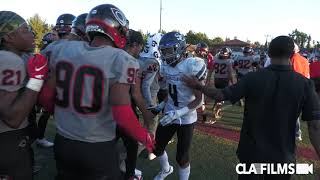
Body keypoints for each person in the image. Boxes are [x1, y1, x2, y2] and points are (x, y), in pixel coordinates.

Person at [39, 4, 155, 180]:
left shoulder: (62, 49)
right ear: (117, 29)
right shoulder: (121, 59)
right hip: (96, 147)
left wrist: (62, 114)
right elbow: (122, 113)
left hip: (63, 141)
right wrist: (144, 136)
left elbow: (46, 97)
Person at [182, 35, 320, 180]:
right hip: (281, 157)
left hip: (252, 153)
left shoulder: (253, 78)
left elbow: (220, 95)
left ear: (269, 53)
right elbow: (315, 126)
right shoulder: (305, 84)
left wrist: (198, 86)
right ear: (292, 55)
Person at [0, 11, 49, 180]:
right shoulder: (9, 60)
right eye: (25, 30)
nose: (32, 34)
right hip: (8, 140)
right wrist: (36, 80)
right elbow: (13, 118)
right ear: (9, 37)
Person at [151, 32, 206, 180]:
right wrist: (162, 104)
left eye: (168, 51)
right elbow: (172, 91)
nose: (165, 55)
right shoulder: (166, 67)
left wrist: (177, 113)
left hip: (186, 118)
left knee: (182, 157)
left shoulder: (190, 66)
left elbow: (199, 100)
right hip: (170, 113)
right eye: (163, 51)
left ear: (180, 48)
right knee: (156, 147)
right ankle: (166, 169)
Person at [119, 29, 154, 180]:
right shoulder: (131, 62)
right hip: (124, 108)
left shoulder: (110, 54)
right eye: (140, 46)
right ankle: (129, 175)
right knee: (132, 144)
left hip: (104, 108)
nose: (141, 49)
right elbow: (135, 93)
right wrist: (147, 116)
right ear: (135, 44)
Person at [139, 33, 163, 137]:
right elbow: (146, 85)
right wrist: (151, 104)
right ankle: (148, 146)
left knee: (144, 119)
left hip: (138, 93)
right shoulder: (153, 60)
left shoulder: (141, 56)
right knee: (151, 120)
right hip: (149, 95)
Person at [210, 47, 235, 122]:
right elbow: (230, 73)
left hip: (216, 80)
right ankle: (216, 113)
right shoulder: (229, 61)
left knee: (218, 94)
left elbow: (210, 71)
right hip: (224, 81)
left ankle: (214, 107)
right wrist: (232, 82)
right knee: (222, 97)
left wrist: (208, 80)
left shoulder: (215, 60)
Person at [291, 43, 310, 141]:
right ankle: (297, 134)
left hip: (291, 88)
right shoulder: (305, 60)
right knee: (295, 113)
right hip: (303, 88)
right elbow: (307, 76)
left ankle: (296, 132)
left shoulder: (291, 59)